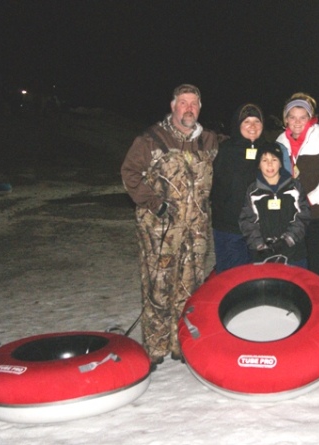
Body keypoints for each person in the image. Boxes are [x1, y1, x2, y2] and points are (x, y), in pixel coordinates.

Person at [120, 84, 218, 369]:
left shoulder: (209, 140)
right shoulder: (151, 139)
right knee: (158, 287)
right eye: (183, 103)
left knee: (189, 287)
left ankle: (181, 343)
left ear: (200, 108)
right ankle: (155, 347)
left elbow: (238, 152)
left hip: (195, 232)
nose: (189, 108)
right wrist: (154, 203)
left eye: (194, 103)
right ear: (173, 106)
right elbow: (129, 173)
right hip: (160, 231)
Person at [275, 93, 319, 288]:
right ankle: (306, 302)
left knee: (318, 263)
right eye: (292, 117)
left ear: (310, 118)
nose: (297, 122)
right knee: (297, 263)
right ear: (286, 119)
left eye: (302, 117)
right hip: (292, 215)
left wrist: (309, 199)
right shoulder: (280, 142)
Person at [211, 103, 270, 273]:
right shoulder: (224, 151)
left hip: (261, 230)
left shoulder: (270, 150)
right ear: (238, 125)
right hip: (230, 229)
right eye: (247, 122)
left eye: (257, 121)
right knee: (231, 278)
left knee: (258, 278)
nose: (252, 126)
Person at [239, 144, 310, 268]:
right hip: (264, 255)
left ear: (281, 163)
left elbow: (303, 215)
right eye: (264, 160)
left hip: (294, 252)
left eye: (274, 160)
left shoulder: (294, 187)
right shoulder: (253, 191)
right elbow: (247, 221)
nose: (270, 164)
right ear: (258, 164)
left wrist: (287, 240)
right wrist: (260, 246)